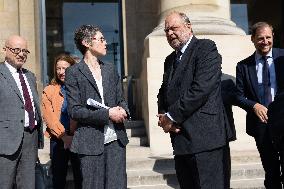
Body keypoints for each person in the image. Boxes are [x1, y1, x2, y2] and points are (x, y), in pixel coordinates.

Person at [157, 12, 233, 189]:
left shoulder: (206, 48)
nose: (169, 33)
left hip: (205, 141)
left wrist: (171, 116)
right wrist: (163, 117)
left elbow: (200, 90)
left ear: (188, 27)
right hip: (180, 141)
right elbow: (163, 92)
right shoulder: (170, 60)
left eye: (173, 28)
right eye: (166, 30)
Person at [64, 25, 129, 189]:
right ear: (87, 42)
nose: (105, 43)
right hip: (89, 142)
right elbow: (74, 110)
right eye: (101, 39)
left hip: (116, 140)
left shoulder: (111, 70)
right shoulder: (74, 72)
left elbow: (120, 99)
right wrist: (107, 114)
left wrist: (124, 110)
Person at [236, 22, 284, 188]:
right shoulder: (243, 66)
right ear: (253, 39)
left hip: (283, 122)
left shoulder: (282, 58)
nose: (265, 41)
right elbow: (239, 95)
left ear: (273, 37)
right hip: (261, 125)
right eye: (260, 38)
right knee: (271, 172)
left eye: (268, 37)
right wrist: (254, 105)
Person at [0, 35, 44, 189]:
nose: (21, 54)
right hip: (5, 141)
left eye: (25, 51)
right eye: (16, 50)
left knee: (27, 185)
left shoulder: (30, 76)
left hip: (30, 137)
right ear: (5, 50)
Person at [41, 54, 82, 189]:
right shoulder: (49, 90)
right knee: (58, 179)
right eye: (58, 68)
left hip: (79, 138)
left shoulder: (81, 89)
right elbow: (49, 117)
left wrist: (73, 136)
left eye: (65, 68)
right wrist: (64, 137)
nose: (61, 72)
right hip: (58, 140)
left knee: (81, 178)